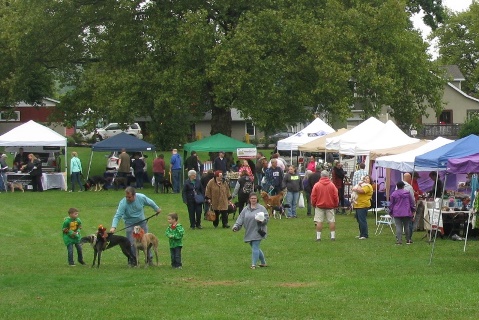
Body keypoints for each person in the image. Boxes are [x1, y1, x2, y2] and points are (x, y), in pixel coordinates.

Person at [109, 186, 162, 266]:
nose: (127, 198)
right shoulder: (123, 203)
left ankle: (149, 259)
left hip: (142, 223)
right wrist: (113, 227)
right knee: (131, 243)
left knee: (146, 242)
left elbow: (150, 202)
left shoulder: (141, 197)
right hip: (130, 224)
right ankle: (133, 260)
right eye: (126, 197)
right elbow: (118, 215)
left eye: (129, 197)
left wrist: (157, 209)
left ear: (134, 195)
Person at [232, 192, 269, 269]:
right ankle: (263, 262)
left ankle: (253, 264)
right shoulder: (246, 209)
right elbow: (240, 218)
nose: (253, 200)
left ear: (257, 199)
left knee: (255, 246)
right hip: (249, 230)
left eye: (255, 198)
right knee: (256, 248)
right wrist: (236, 226)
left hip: (259, 230)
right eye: (252, 198)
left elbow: (266, 218)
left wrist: (262, 220)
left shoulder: (261, 208)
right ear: (249, 199)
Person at [311, 170, 339, 241]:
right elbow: (335, 196)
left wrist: (314, 204)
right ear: (328, 176)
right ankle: (332, 237)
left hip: (319, 206)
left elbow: (313, 196)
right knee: (331, 221)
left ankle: (318, 237)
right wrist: (336, 204)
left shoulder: (317, 185)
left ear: (321, 176)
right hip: (330, 205)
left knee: (319, 221)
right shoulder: (332, 185)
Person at [389, 181, 416, 245]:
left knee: (398, 226)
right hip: (406, 212)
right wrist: (413, 210)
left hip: (397, 212)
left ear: (397, 186)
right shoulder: (407, 193)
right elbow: (411, 202)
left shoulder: (393, 194)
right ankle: (408, 240)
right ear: (403, 186)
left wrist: (390, 212)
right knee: (406, 226)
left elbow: (391, 204)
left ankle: (399, 240)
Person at [352, 175, 373, 239]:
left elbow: (361, 191)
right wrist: (356, 188)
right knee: (359, 220)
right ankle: (361, 234)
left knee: (362, 220)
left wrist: (355, 189)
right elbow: (354, 189)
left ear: (370, 180)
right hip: (358, 204)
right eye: (365, 179)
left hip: (363, 205)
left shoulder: (368, 186)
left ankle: (364, 235)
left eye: (367, 179)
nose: (366, 180)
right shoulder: (362, 185)